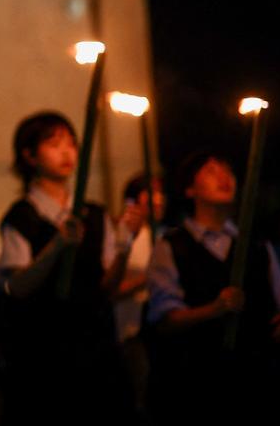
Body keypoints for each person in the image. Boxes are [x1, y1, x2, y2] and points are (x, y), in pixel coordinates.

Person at [0, 111, 141, 425]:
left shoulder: (95, 214)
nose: (67, 152)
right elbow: (16, 286)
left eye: (72, 144)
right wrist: (57, 247)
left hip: (96, 352)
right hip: (43, 357)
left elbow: (107, 288)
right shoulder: (22, 217)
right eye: (54, 143)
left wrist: (125, 247)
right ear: (30, 155)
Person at [146, 151, 280, 423]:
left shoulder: (257, 244)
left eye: (227, 170)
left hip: (259, 381)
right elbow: (165, 320)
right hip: (200, 384)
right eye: (210, 171)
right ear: (190, 189)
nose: (223, 177)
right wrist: (213, 309)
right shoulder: (171, 245)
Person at [110, 173, 165, 421]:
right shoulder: (119, 236)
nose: (160, 199)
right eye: (152, 193)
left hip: (159, 328)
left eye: (161, 193)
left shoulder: (164, 237)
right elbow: (110, 288)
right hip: (130, 330)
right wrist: (148, 278)